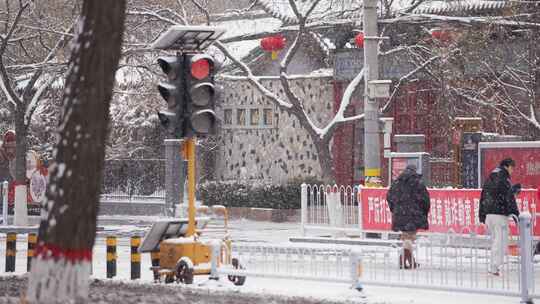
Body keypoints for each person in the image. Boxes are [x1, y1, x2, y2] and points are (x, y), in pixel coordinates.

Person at [479, 158, 520, 276]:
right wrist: (516, 215)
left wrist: (482, 215)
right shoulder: (503, 177)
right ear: (507, 166)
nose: (513, 171)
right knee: (501, 241)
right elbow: (508, 197)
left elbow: (483, 196)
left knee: (495, 241)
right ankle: (494, 267)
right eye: (512, 167)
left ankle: (493, 266)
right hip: (499, 215)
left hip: (489, 215)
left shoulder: (491, 176)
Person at [386, 163, 430, 269]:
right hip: (414, 215)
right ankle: (406, 261)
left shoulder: (396, 182)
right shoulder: (418, 183)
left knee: (406, 237)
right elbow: (425, 200)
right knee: (409, 237)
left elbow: (389, 197)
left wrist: (395, 209)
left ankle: (408, 261)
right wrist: (423, 212)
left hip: (400, 214)